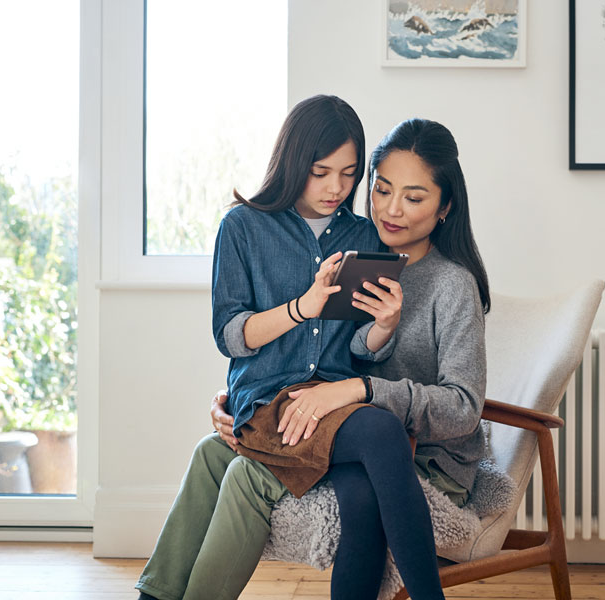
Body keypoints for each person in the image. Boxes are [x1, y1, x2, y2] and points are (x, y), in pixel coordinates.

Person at [135, 97, 445, 600]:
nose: (334, 188)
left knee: (360, 491)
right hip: (268, 404)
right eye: (320, 171)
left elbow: (360, 349)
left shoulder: (362, 234)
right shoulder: (243, 228)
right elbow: (231, 335)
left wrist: (385, 325)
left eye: (347, 174)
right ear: (293, 161)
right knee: (381, 431)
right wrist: (303, 306)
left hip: (328, 407)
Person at [212, 117, 491, 598]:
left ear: (445, 206)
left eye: (415, 197)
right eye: (381, 190)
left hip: (424, 455)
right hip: (346, 438)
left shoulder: (452, 285)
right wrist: (238, 397)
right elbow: (305, 352)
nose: (392, 210)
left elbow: (464, 409)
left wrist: (360, 390)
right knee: (360, 493)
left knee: (364, 486)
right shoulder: (351, 256)